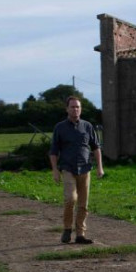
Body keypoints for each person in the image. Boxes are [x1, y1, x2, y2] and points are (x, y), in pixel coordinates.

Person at [49, 96, 104, 244]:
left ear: (81, 109)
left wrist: (100, 167)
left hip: (85, 168)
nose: (75, 109)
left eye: (78, 107)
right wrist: (55, 170)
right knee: (70, 199)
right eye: (72, 107)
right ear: (67, 109)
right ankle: (67, 228)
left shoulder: (87, 126)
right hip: (68, 168)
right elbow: (53, 151)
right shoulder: (60, 127)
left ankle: (80, 234)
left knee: (83, 204)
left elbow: (96, 148)